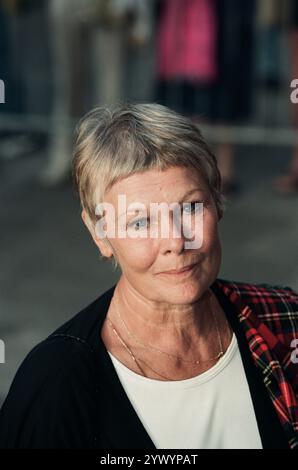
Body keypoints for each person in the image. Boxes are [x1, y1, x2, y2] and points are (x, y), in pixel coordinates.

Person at [0, 103, 297, 449]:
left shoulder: (284, 323)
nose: (175, 241)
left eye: (189, 208)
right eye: (140, 222)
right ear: (100, 233)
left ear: (217, 201)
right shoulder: (55, 385)